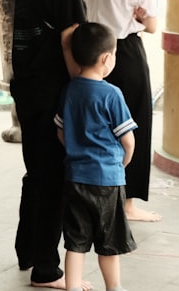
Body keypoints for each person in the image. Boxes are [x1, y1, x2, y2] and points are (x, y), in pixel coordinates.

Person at [10, 0, 89, 289]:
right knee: (53, 175)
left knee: (35, 169)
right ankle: (45, 268)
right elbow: (70, 37)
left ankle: (28, 250)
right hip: (51, 86)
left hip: (25, 80)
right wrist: (84, 86)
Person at [83, 0, 161, 223]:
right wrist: (141, 16)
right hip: (126, 55)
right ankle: (128, 205)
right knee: (134, 124)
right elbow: (153, 26)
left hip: (96, 55)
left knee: (102, 128)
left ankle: (100, 195)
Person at [55, 22, 137, 291]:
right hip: (107, 180)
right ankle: (114, 288)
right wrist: (122, 163)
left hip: (76, 177)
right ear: (107, 58)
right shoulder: (112, 94)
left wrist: (76, 150)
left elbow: (61, 132)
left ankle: (73, 287)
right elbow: (128, 140)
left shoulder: (70, 91)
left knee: (76, 242)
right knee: (109, 242)